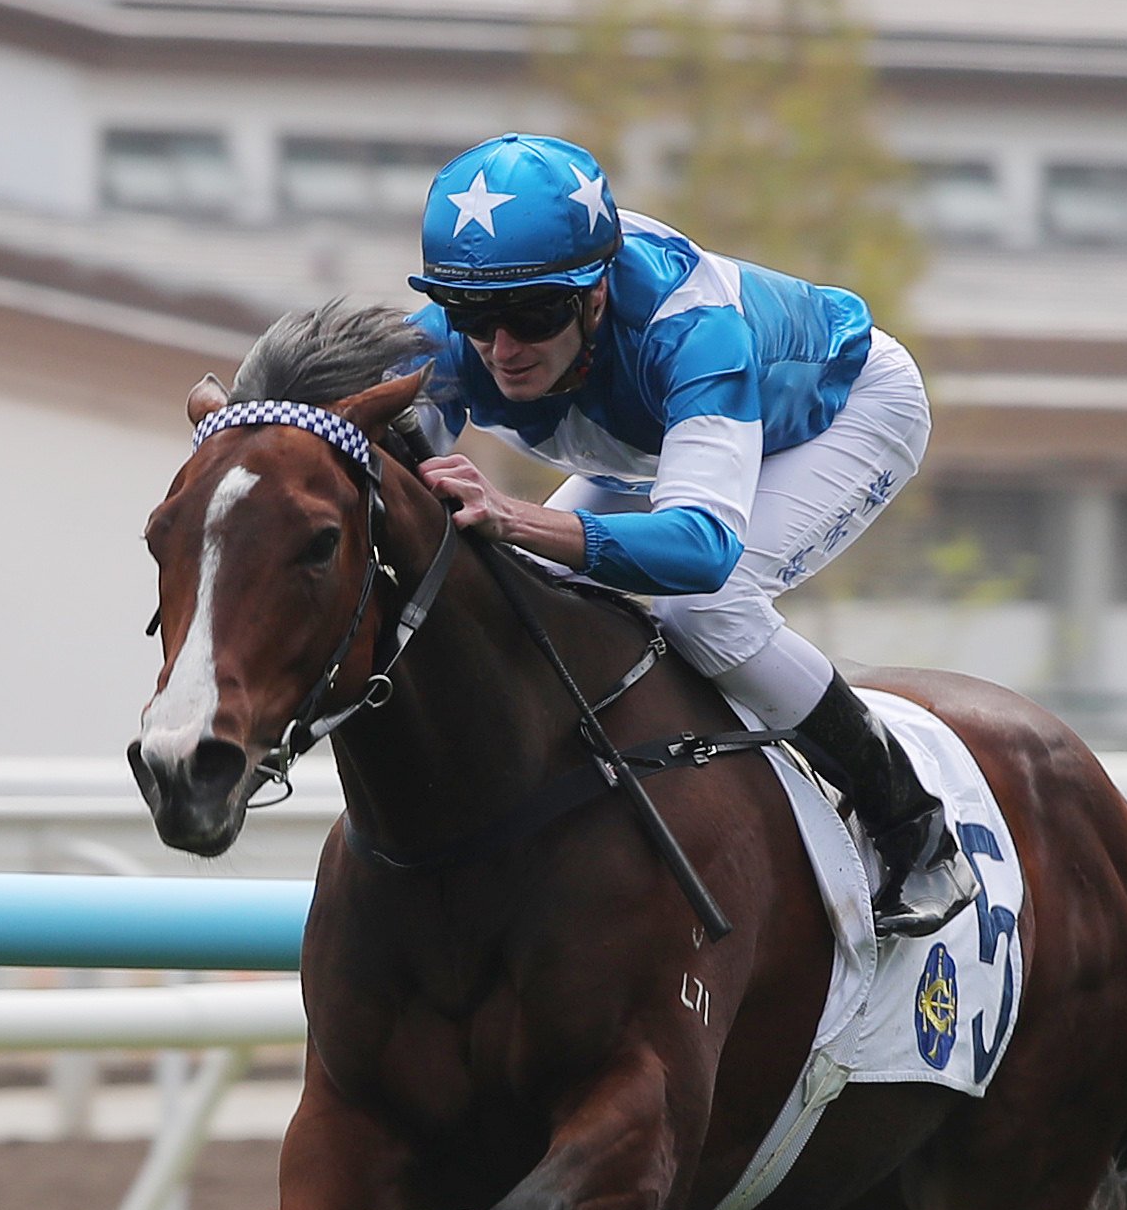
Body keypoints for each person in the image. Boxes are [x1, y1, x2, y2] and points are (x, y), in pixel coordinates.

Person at [396, 132, 979, 935]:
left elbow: (702, 552)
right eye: (473, 318)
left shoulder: (691, 328)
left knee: (705, 608)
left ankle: (912, 828)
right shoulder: (456, 332)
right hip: (655, 443)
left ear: (595, 295)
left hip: (840, 415)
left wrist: (520, 515)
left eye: (531, 317)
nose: (501, 348)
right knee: (535, 590)